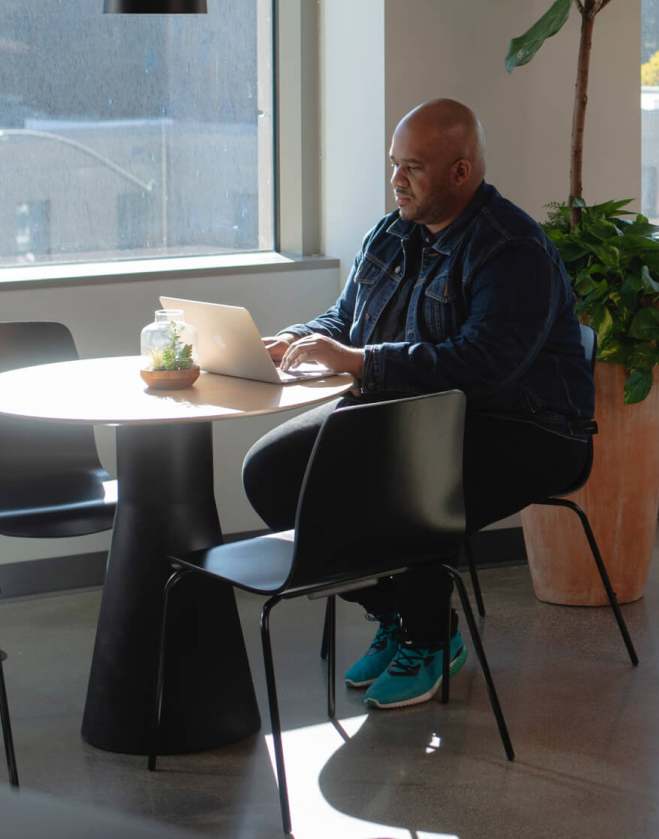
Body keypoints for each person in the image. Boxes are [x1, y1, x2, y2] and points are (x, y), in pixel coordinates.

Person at [242, 99, 595, 709]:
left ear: (461, 172)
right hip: (412, 412)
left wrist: (358, 363)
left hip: (529, 426)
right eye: (393, 165)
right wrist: (300, 340)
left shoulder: (511, 250)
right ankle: (397, 616)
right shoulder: (391, 232)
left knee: (404, 481)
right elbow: (348, 319)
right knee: (271, 474)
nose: (397, 181)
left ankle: (430, 639)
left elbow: (482, 367)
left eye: (414, 167)